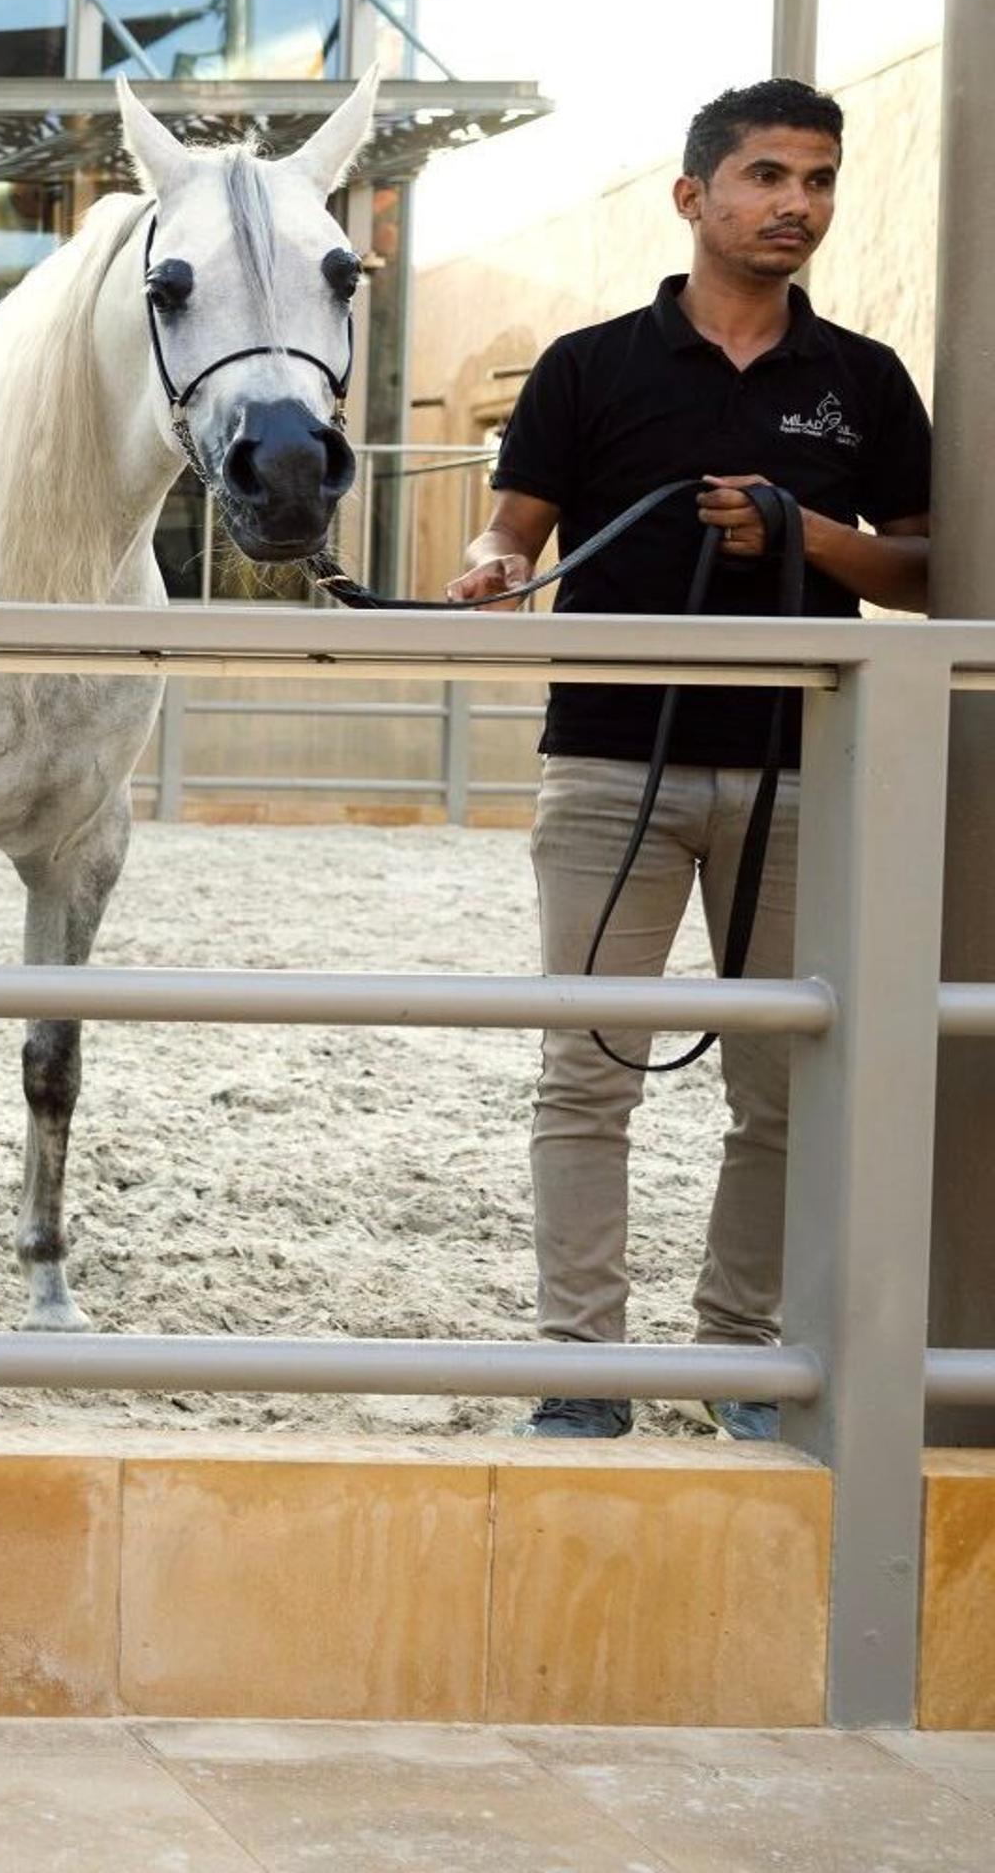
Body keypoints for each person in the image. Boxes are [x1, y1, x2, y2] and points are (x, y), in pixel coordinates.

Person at [448, 77, 932, 1444]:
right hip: (609, 764)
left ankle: (741, 1360)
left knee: (782, 1078)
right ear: (693, 197)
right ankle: (582, 1365)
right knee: (589, 1067)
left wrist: (807, 537)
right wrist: (489, 572)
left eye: (820, 179)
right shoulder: (589, 366)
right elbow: (513, 534)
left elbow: (928, 562)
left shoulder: (863, 381)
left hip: (798, 769)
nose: (798, 205)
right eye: (768, 176)